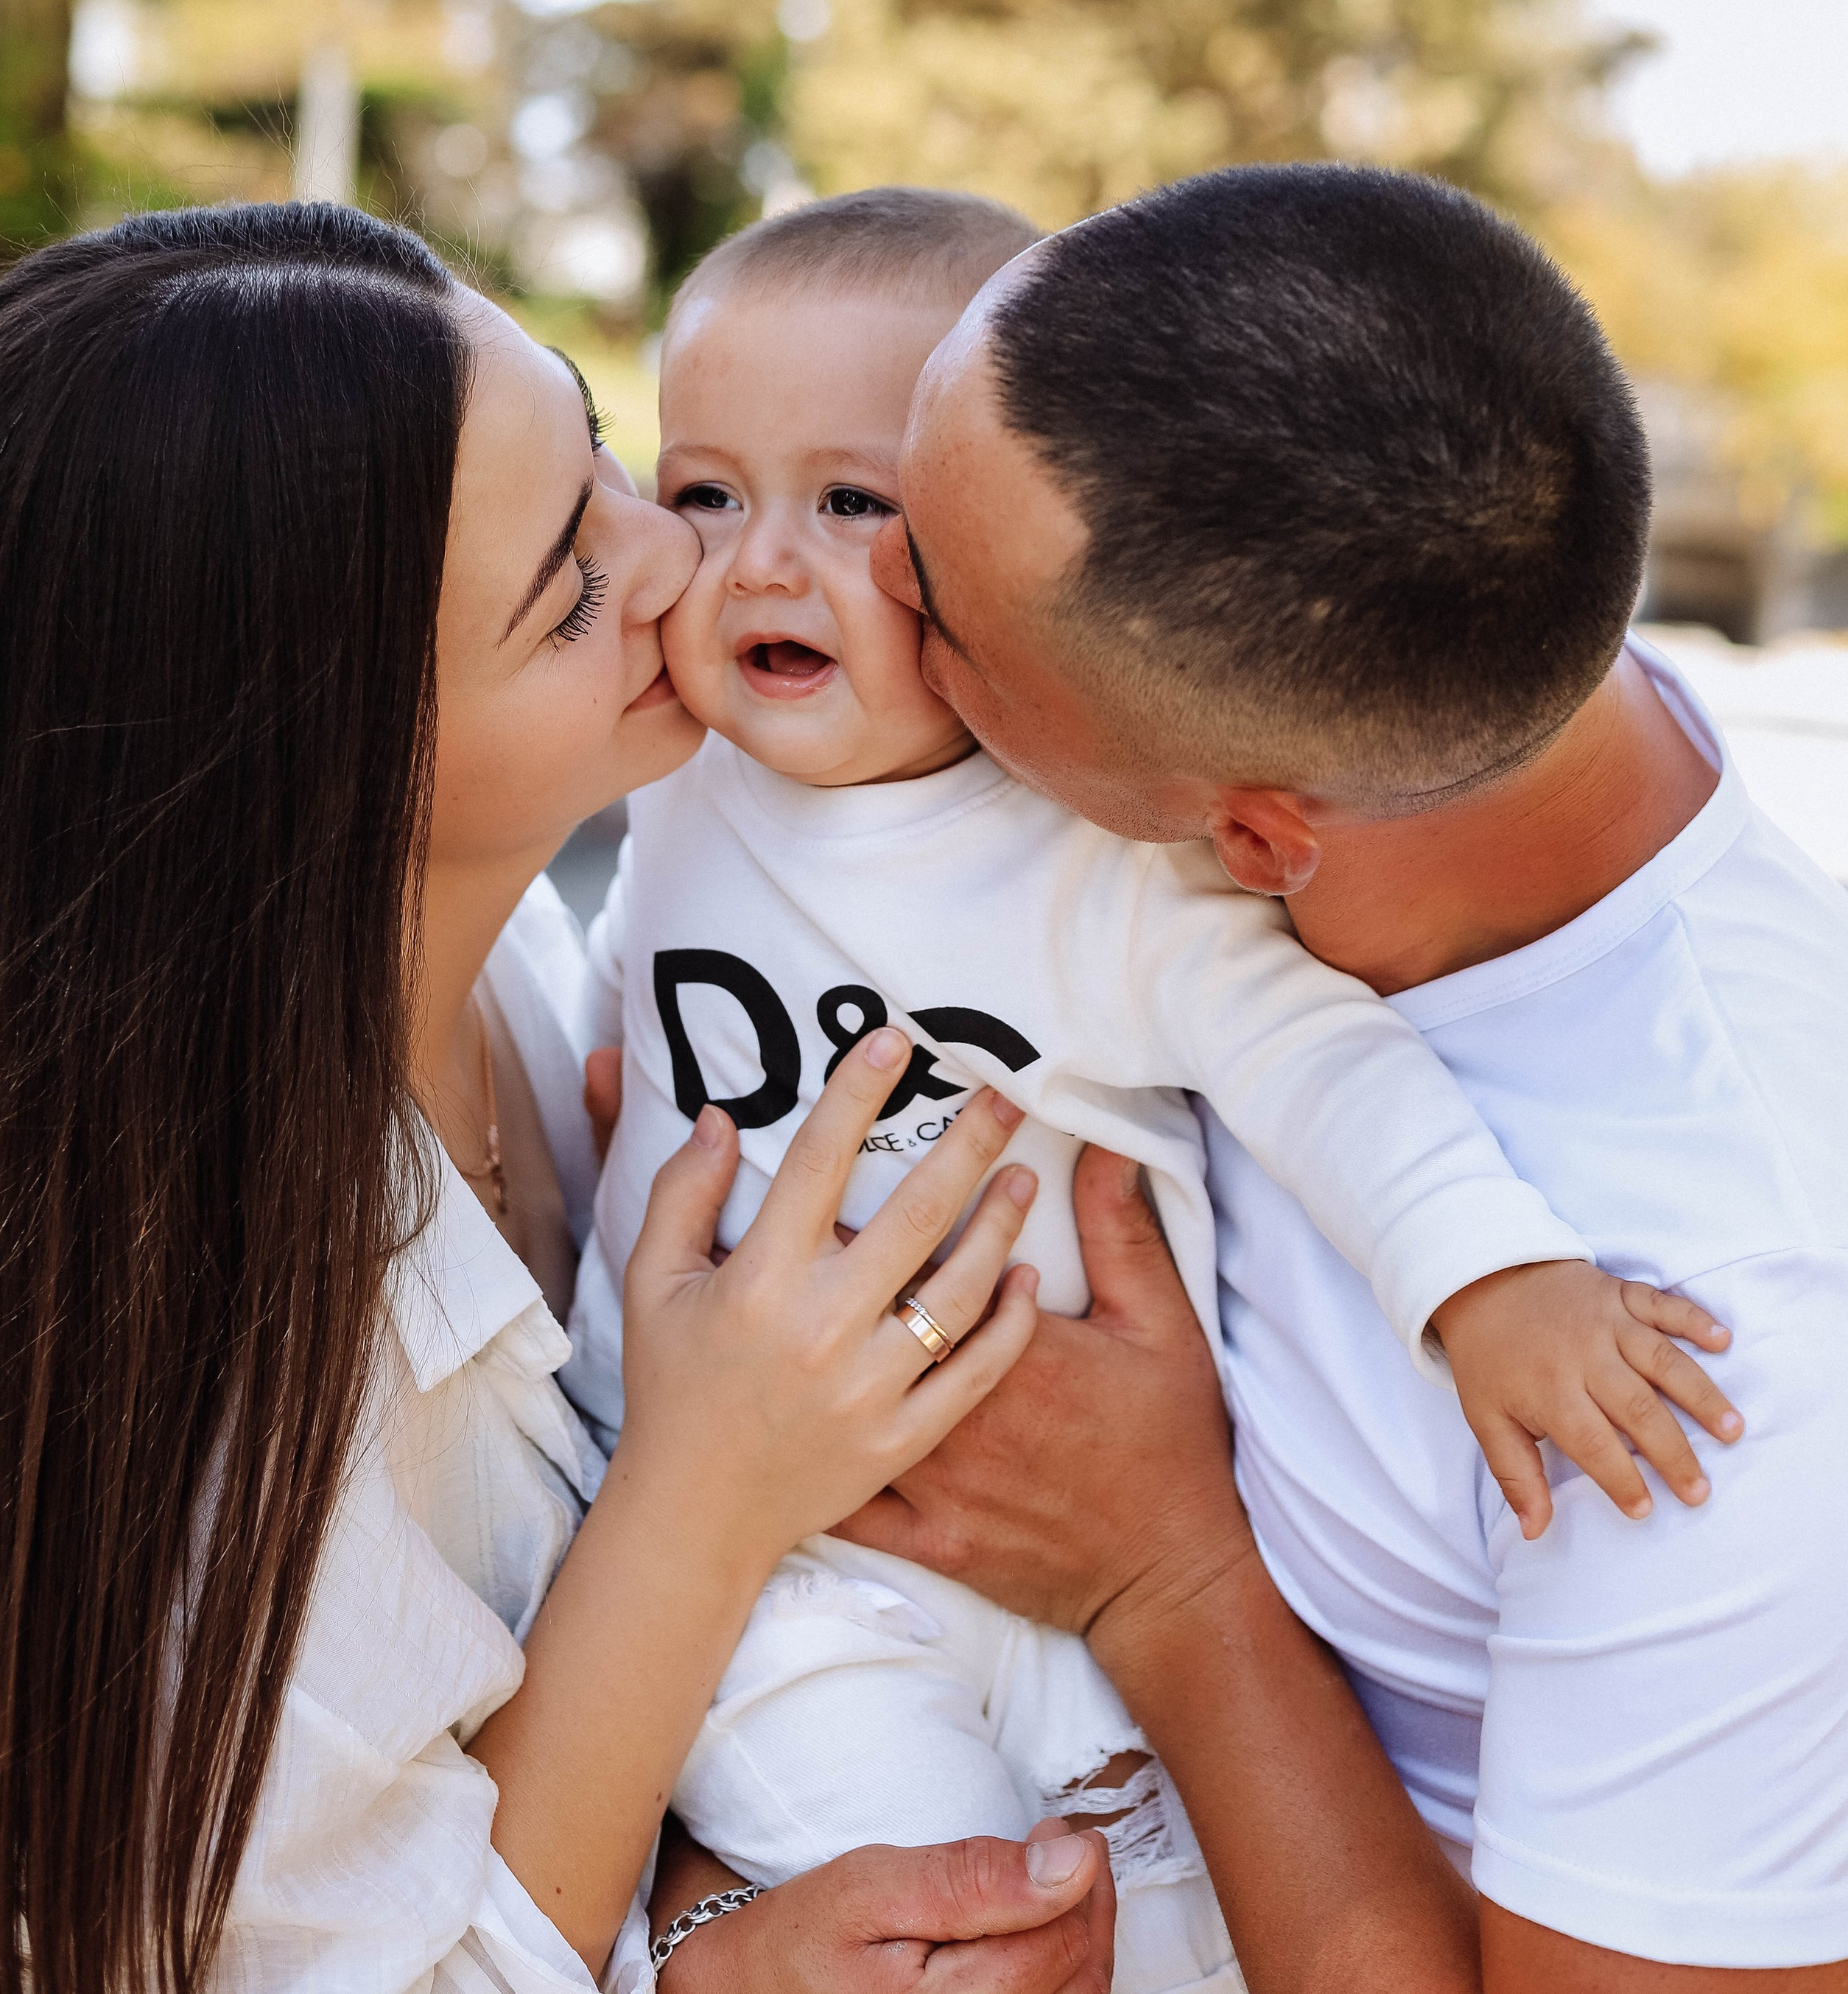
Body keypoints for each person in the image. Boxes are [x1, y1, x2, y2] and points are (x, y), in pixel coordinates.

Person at [564, 186, 1739, 1994]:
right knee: (941, 1904)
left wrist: (1485, 1280)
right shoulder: (679, 780)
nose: (761, 565)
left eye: (868, 516)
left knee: (1150, 1931)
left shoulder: (1090, 862)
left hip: (1089, 1570)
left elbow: (1317, 1064)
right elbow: (632, 982)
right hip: (792, 1573)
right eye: (702, 491)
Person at [0, 203, 1119, 1994]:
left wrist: (706, 1905)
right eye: (572, 582)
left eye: (604, 455)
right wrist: (706, 1486)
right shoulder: (188, 1364)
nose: (683, 554)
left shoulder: (520, 963)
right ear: (312, 753)